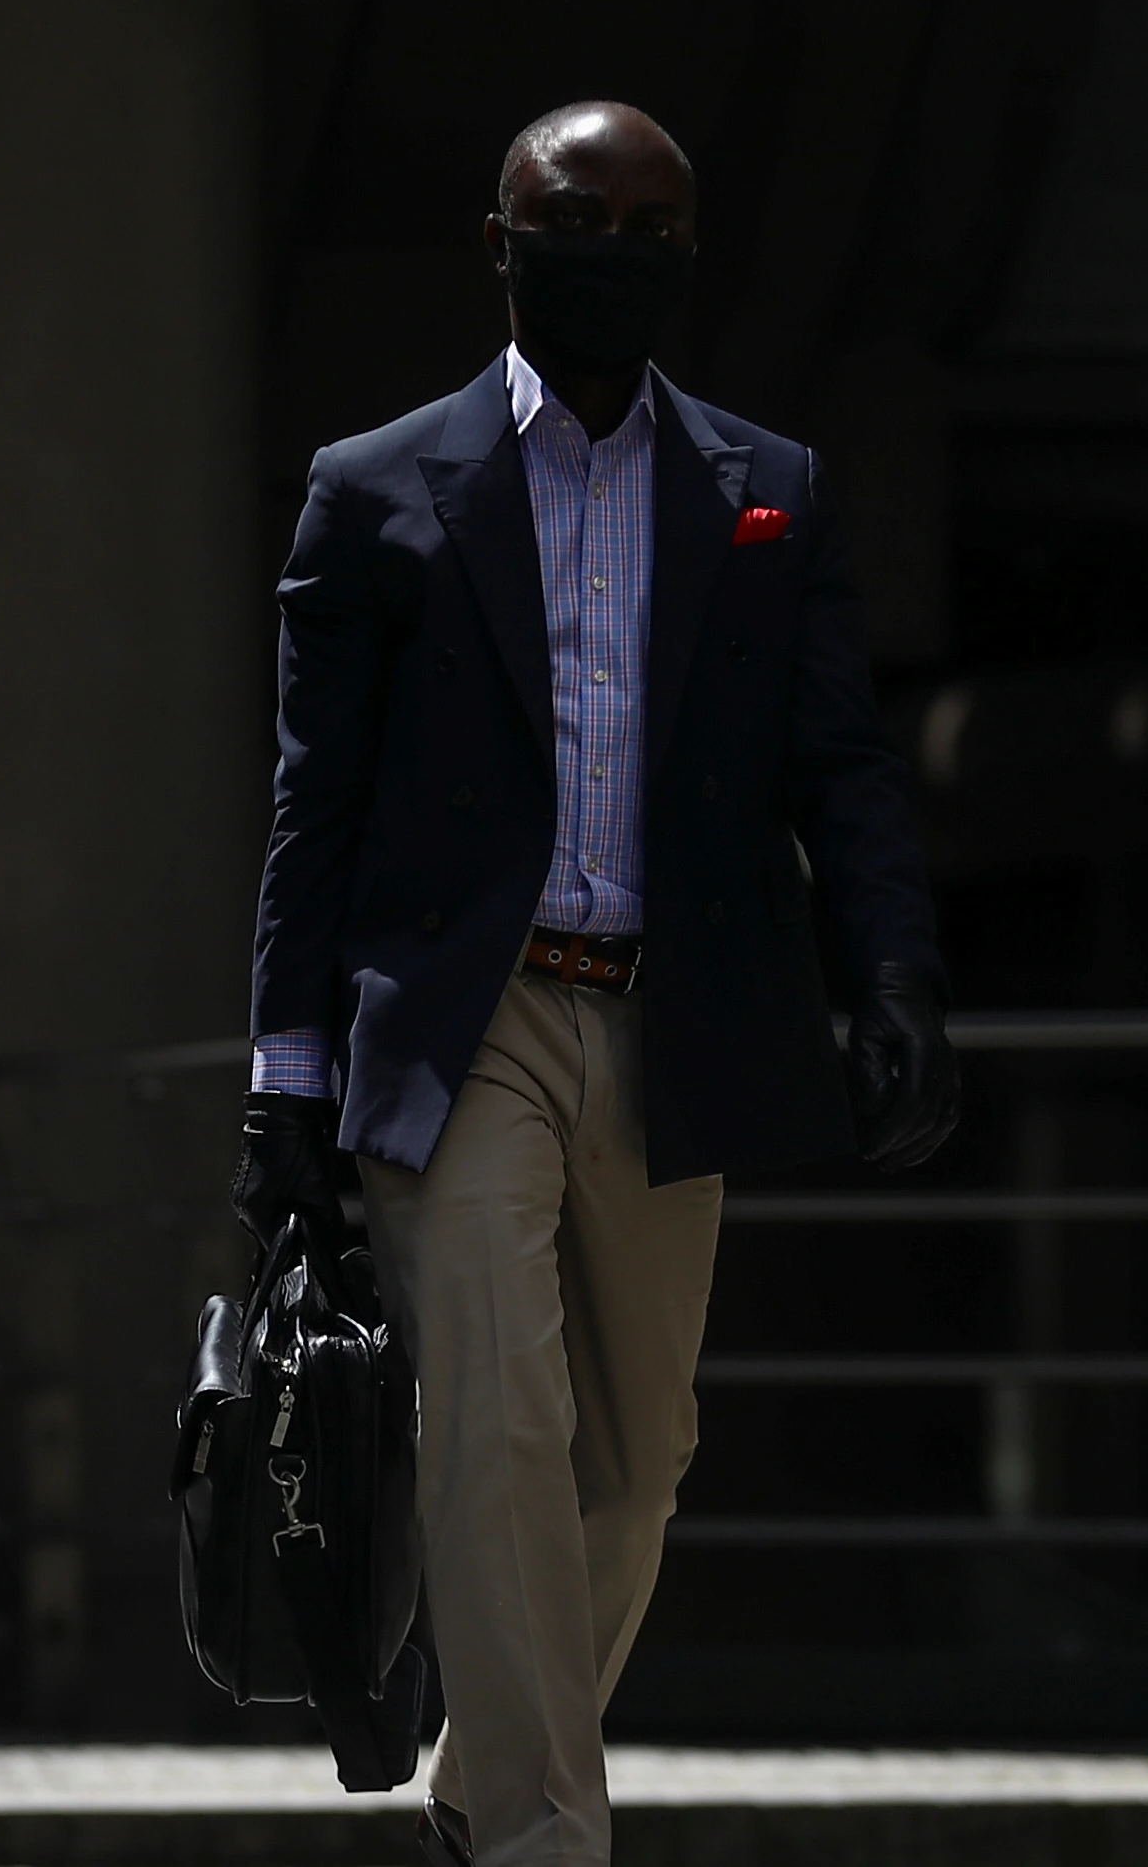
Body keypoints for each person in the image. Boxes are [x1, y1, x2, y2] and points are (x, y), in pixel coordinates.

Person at [233, 101, 959, 1867]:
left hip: (675, 1023)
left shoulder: (767, 491)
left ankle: (483, 1790)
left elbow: (842, 769)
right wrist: (284, 1086)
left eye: (648, 231)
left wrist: (897, 980)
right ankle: (546, 1841)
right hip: (463, 1027)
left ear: (687, 261)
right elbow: (309, 814)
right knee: (498, 1423)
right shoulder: (377, 487)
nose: (609, 254)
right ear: (500, 241)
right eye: (575, 220)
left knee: (634, 1475)